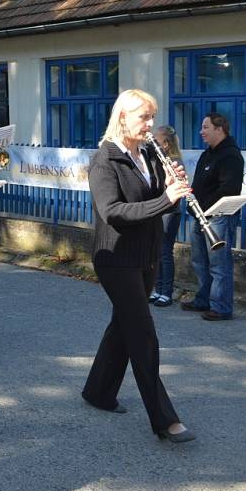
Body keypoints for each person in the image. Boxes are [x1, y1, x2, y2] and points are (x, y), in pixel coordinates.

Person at [82, 89, 195, 444]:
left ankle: (98, 392)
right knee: (142, 334)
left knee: (123, 325)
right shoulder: (105, 160)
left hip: (145, 255)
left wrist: (171, 184)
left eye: (151, 117)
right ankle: (165, 420)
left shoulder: (146, 152)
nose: (150, 125)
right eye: (144, 117)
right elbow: (112, 212)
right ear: (122, 119)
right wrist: (166, 199)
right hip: (115, 258)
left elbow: (154, 200)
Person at [181, 113, 244, 321]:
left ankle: (221, 307)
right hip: (201, 216)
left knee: (219, 264)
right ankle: (204, 299)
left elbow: (229, 189)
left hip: (218, 217)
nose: (201, 132)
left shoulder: (231, 155)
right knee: (200, 261)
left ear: (220, 129)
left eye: (205, 127)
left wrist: (202, 207)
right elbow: (199, 184)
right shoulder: (208, 153)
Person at [148, 125, 183, 308]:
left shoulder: (174, 161)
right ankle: (157, 288)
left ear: (166, 144)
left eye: (156, 139)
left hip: (170, 212)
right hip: (158, 210)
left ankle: (166, 292)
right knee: (156, 252)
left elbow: (173, 189)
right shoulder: (154, 159)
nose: (151, 142)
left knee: (164, 252)